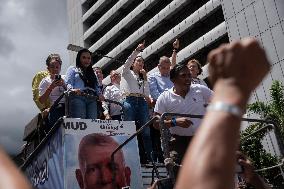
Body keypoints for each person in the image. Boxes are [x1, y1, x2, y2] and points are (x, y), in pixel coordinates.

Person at [175, 38, 270, 189]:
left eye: (192, 70)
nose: (188, 74)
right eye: (185, 72)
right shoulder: (170, 94)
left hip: (204, 129)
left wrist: (228, 90)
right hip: (187, 136)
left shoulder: (201, 87)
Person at [154, 63, 213, 165]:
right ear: (173, 79)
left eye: (189, 75)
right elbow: (155, 123)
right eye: (183, 76)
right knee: (175, 167)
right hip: (178, 141)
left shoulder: (200, 89)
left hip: (202, 139)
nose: (188, 79)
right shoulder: (164, 97)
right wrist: (174, 122)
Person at [120, 41, 153, 163]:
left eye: (142, 62)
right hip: (129, 100)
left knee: (146, 132)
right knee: (128, 131)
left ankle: (150, 159)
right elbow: (128, 61)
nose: (141, 63)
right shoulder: (126, 72)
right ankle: (128, 159)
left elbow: (146, 91)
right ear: (133, 63)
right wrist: (137, 51)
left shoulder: (141, 77)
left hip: (141, 102)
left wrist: (145, 78)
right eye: (138, 61)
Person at [148, 39, 179, 162]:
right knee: (166, 138)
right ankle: (167, 161)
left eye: (168, 67)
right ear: (158, 66)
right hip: (163, 111)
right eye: (164, 68)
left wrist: (175, 50)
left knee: (177, 136)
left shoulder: (172, 75)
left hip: (176, 109)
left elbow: (175, 65)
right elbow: (155, 94)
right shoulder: (152, 77)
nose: (166, 70)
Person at [66, 49, 104, 119]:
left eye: (89, 58)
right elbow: (68, 83)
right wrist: (72, 89)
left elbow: (96, 86)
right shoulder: (73, 69)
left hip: (92, 97)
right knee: (81, 122)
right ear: (79, 58)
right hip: (78, 96)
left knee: (92, 123)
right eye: (83, 57)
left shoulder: (93, 73)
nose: (86, 60)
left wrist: (100, 94)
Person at [39, 54, 66, 128]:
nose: (55, 69)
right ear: (48, 68)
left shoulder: (65, 78)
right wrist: (51, 87)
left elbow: (73, 91)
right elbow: (41, 100)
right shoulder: (45, 81)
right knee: (57, 128)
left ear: (60, 68)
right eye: (52, 67)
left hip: (69, 105)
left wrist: (64, 85)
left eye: (57, 67)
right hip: (56, 107)